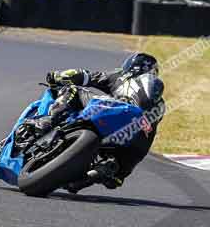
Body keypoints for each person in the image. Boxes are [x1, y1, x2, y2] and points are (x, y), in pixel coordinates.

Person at [23, 53, 165, 191]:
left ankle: (49, 120)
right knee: (118, 170)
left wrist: (57, 76)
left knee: (73, 90)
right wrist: (123, 171)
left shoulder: (121, 76)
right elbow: (148, 136)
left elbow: (84, 75)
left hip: (114, 109)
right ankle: (106, 171)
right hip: (134, 142)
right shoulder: (160, 105)